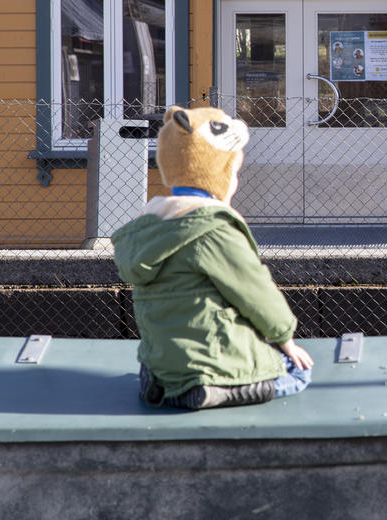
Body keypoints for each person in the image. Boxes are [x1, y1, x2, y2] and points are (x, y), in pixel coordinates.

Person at [114, 105, 314, 410]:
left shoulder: (151, 226)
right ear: (220, 173)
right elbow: (254, 291)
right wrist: (285, 339)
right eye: (233, 172)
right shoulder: (212, 230)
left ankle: (171, 385)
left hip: (161, 367)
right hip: (215, 363)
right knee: (300, 372)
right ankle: (216, 390)